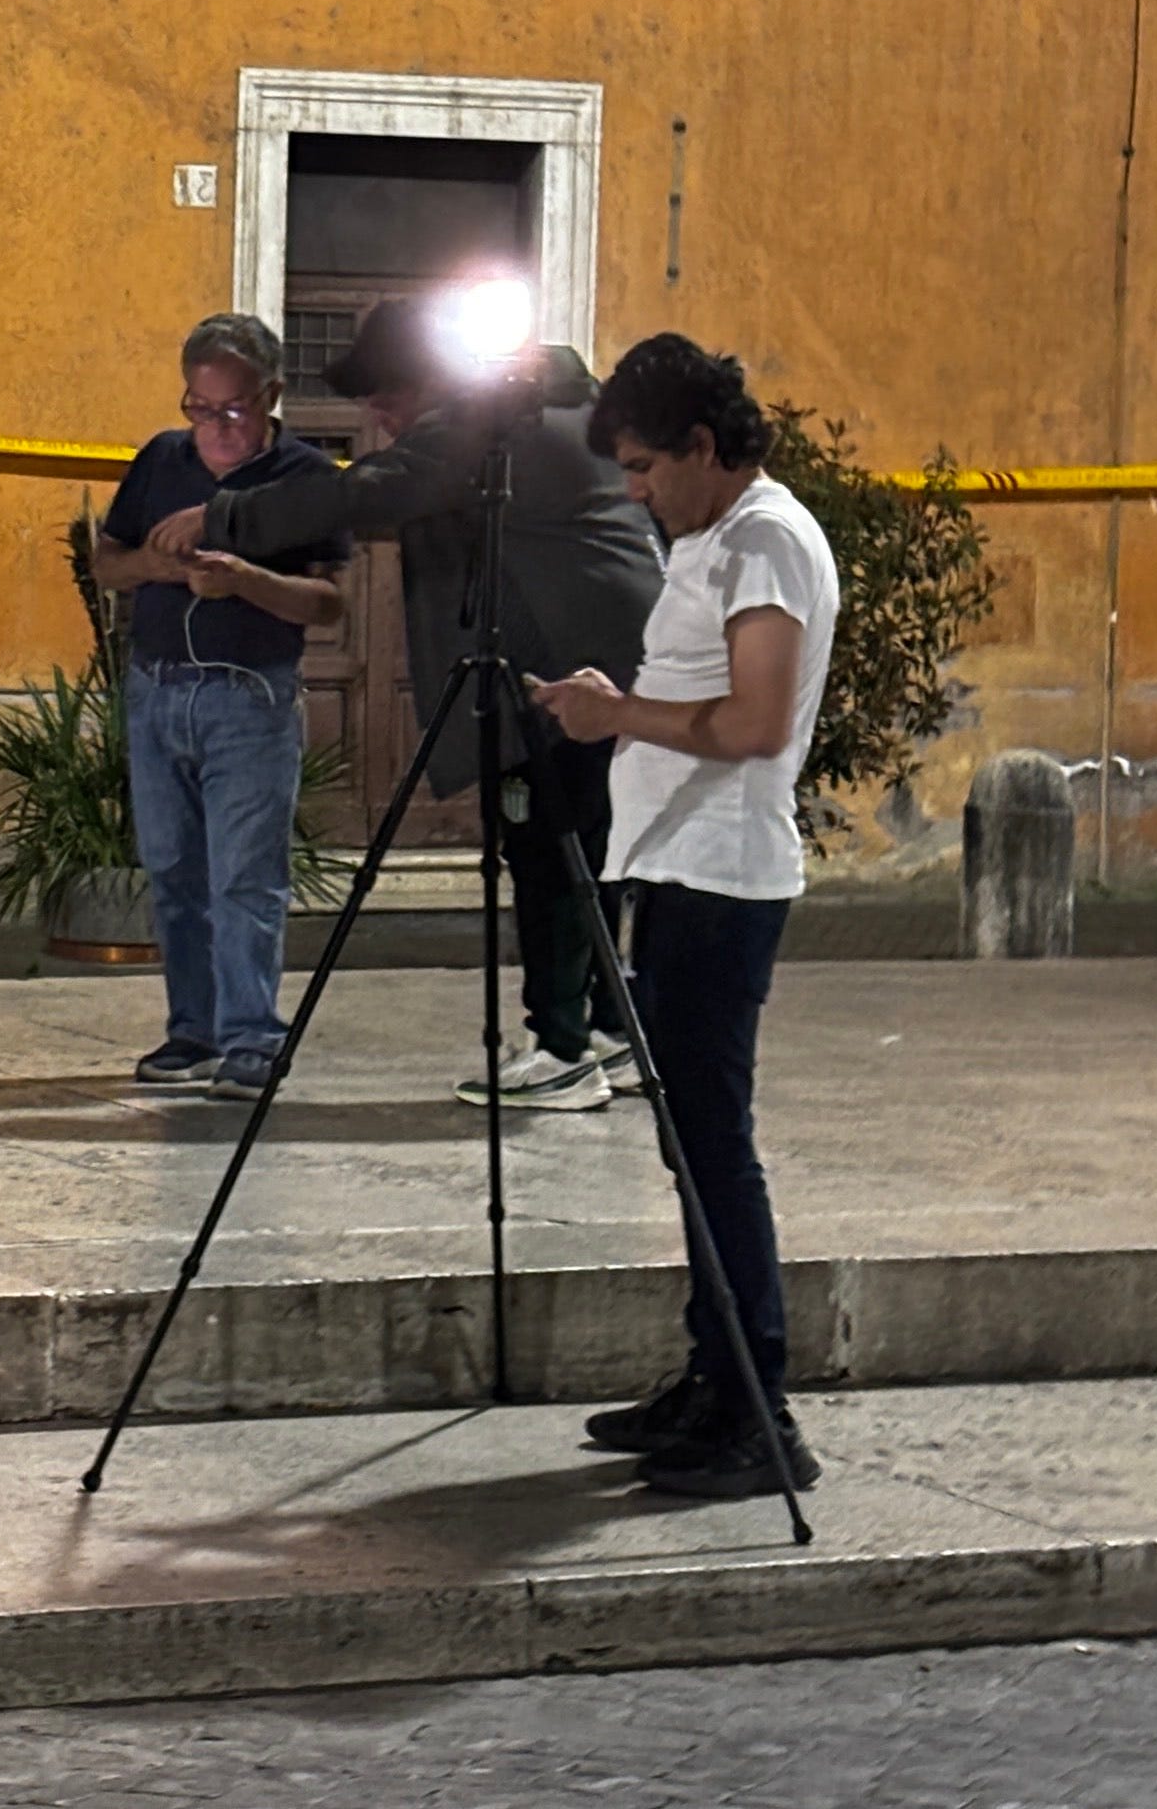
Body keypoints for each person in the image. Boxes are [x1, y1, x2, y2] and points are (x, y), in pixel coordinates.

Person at [154, 297, 660, 1114]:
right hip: (619, 663)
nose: (380, 421)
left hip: (556, 676)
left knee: (548, 854)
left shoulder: (485, 426)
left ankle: (563, 1050)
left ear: (430, 380)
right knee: (590, 855)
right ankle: (608, 1030)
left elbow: (371, 492)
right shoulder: (563, 408)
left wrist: (226, 515)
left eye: (387, 401)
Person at [533, 332, 840, 1501]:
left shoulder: (765, 540)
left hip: (723, 877)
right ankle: (715, 1379)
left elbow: (757, 722)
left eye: (646, 467)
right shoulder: (718, 536)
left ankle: (758, 1410)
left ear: (704, 446)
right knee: (688, 1142)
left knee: (713, 1144)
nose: (634, 492)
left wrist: (617, 717)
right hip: (676, 867)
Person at [90, 316, 346, 1096]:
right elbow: (107, 563)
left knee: (245, 875)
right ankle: (192, 1031)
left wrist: (245, 581)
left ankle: (251, 1038)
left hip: (249, 698)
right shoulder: (161, 460)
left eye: (232, 410)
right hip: (158, 689)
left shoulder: (304, 476)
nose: (215, 427)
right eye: (198, 408)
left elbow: (328, 602)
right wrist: (156, 566)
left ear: (271, 396)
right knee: (172, 870)